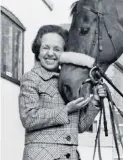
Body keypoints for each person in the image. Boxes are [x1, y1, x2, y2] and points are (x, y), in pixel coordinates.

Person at [19, 25, 106, 160]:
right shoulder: (31, 78)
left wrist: (94, 100)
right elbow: (29, 118)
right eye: (46, 47)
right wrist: (66, 110)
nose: (50, 53)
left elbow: (80, 126)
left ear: (65, 54)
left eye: (57, 49)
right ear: (38, 51)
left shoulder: (69, 82)